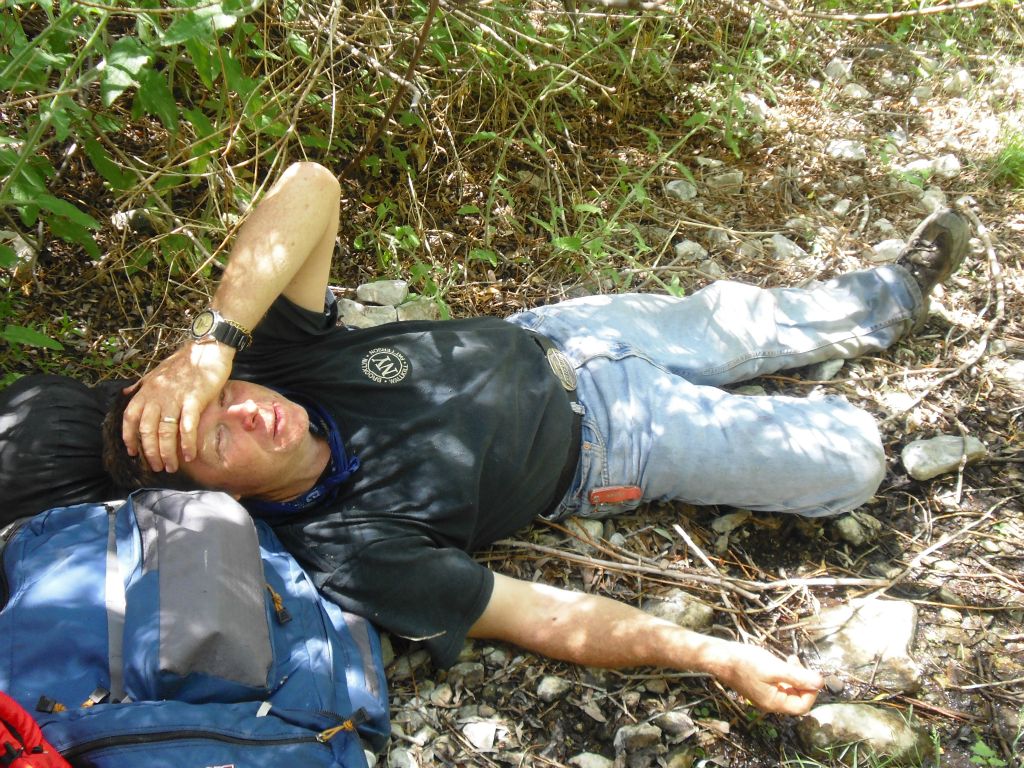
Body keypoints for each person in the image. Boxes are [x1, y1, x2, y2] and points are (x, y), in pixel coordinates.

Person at [98, 161, 970, 717]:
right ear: (227, 499)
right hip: (616, 442)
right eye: (217, 440)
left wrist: (213, 348)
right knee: (852, 458)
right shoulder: (349, 547)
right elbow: (546, 618)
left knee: (746, 323)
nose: (245, 412)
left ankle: (895, 295)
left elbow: (310, 185)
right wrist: (712, 653)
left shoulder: (283, 363)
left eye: (222, 396)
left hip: (566, 334)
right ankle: (870, 406)